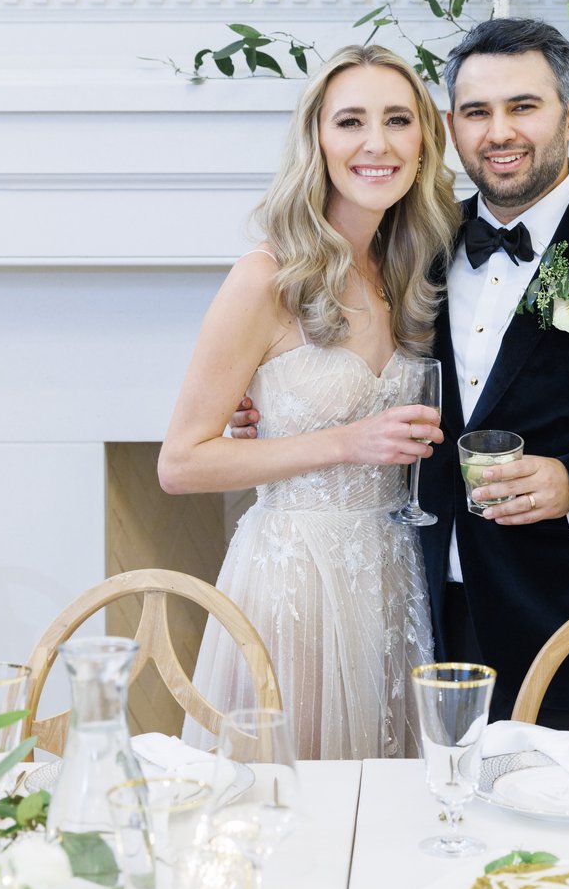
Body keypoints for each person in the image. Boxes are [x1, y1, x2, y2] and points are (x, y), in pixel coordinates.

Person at [234, 19, 569, 749]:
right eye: (477, 112)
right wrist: (269, 409)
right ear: (451, 126)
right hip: (422, 620)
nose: (499, 131)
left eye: (524, 106)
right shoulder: (419, 244)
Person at [159, 44, 461, 760]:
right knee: (292, 811)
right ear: (317, 140)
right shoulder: (266, 277)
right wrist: (345, 440)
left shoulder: (413, 270)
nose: (376, 144)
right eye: (350, 121)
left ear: (425, 139)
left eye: (397, 120)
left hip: (395, 574)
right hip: (295, 579)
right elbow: (179, 462)